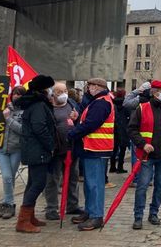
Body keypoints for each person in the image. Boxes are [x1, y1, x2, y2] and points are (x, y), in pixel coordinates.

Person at [128, 80, 161, 228]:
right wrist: (143, 144)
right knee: (142, 186)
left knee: (160, 185)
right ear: (154, 92)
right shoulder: (142, 108)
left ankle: (154, 213)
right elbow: (132, 129)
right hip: (146, 156)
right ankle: (138, 216)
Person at [67, 78, 115, 231]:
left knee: (95, 184)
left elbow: (90, 124)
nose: (89, 89)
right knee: (89, 184)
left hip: (97, 149)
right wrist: (77, 121)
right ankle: (89, 211)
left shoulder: (101, 102)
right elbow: (86, 122)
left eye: (91, 86)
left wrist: (72, 133)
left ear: (98, 87)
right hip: (91, 148)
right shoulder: (98, 101)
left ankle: (96, 216)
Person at [15, 75, 56, 233]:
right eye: (49, 88)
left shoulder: (36, 103)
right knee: (38, 183)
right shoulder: (39, 105)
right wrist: (50, 145)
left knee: (33, 183)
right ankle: (23, 220)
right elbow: (39, 127)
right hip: (37, 149)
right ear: (44, 89)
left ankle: (29, 216)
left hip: (34, 148)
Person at [44, 82, 83, 221]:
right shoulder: (48, 108)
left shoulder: (72, 104)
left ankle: (72, 205)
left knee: (73, 177)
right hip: (56, 150)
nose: (63, 94)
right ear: (53, 94)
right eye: (60, 92)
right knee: (53, 179)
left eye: (65, 90)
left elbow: (80, 123)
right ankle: (51, 208)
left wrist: (76, 119)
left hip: (72, 148)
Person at [0, 86, 26, 219]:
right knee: (7, 177)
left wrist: (8, 119)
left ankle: (6, 203)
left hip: (16, 149)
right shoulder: (4, 108)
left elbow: (22, 130)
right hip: (1, 149)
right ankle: (9, 203)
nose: (16, 97)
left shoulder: (25, 112)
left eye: (19, 94)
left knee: (10, 177)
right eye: (15, 94)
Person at [110, 89, 131, 173]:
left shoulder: (112, 103)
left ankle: (112, 167)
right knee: (122, 149)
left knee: (114, 149)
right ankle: (120, 167)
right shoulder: (126, 105)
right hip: (123, 129)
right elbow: (129, 117)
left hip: (114, 128)